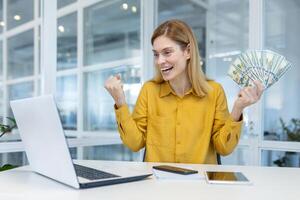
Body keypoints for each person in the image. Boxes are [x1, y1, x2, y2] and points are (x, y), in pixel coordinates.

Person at [104, 19, 264, 164]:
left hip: (200, 189)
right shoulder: (149, 90)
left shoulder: (214, 91)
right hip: (157, 188)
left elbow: (224, 148)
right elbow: (134, 143)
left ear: (188, 51)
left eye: (167, 52)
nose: (160, 61)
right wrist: (120, 101)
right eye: (156, 54)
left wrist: (238, 109)